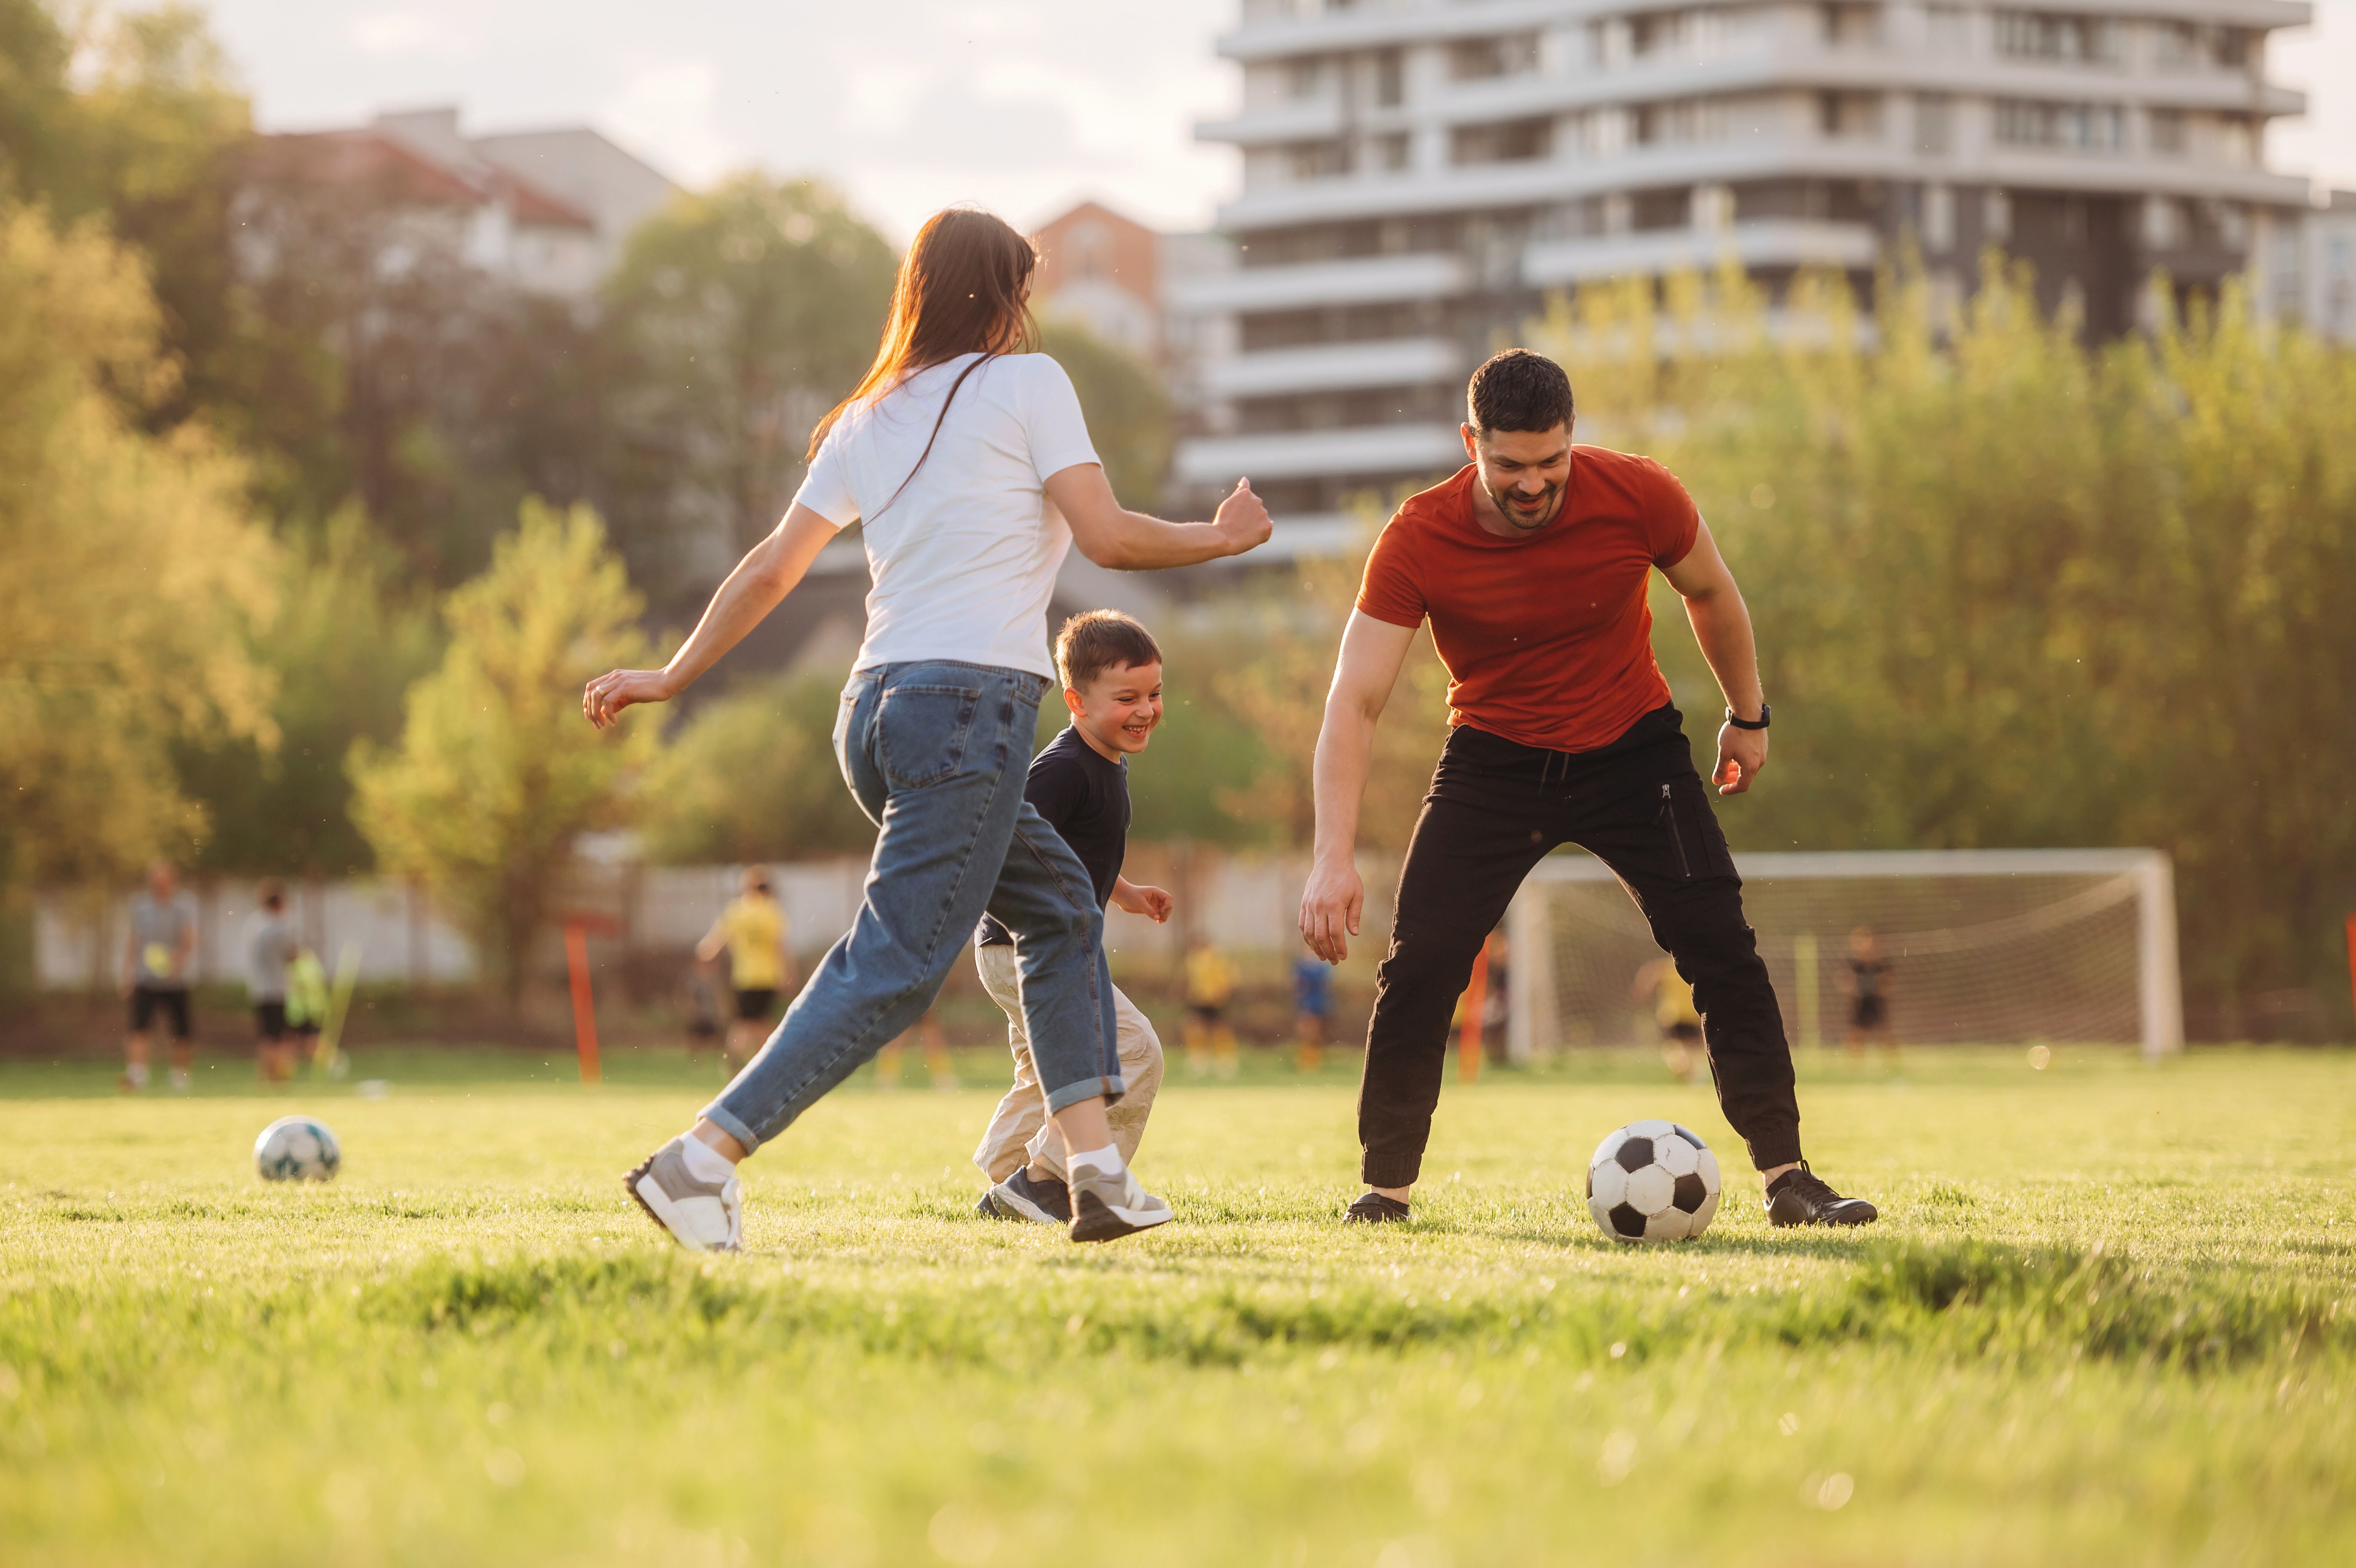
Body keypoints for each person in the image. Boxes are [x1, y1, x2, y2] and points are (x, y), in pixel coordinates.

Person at [586, 207, 1271, 1251]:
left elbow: (771, 567)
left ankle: (1093, 1174)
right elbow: (1108, 539)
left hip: (873, 711)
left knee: (1061, 910)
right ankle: (699, 1160)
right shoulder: (1029, 384)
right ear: (1004, 295)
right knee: (897, 961)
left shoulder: (866, 417)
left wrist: (673, 673)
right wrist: (1219, 539)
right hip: (966, 714)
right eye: (1024, 290)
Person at [1298, 349, 1877, 1229]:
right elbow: (1355, 699)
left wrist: (1747, 715)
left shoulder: (1640, 492)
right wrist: (1330, 855)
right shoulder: (1418, 536)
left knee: (1721, 948)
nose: (1533, 484)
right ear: (1471, 444)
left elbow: (1711, 592)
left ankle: (1788, 1178)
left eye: (1551, 461)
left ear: (1573, 438)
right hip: (1492, 761)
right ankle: (1385, 1192)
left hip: (1633, 754)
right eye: (1509, 465)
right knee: (1419, 964)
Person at [972, 610, 1173, 1224]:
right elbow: (1003, 846)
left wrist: (1124, 891)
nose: (1146, 710)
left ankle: (1006, 1180)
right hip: (1030, 946)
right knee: (1132, 1050)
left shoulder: (1107, 759)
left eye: (1154, 694)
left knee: (1044, 1074)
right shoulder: (1062, 769)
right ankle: (1050, 1180)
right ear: (1076, 701)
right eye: (1127, 699)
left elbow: (1062, 851)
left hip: (1013, 950)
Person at [696, 867, 795, 1072]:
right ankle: (768, 1061)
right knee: (755, 1022)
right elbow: (780, 946)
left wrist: (706, 961)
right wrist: (788, 974)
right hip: (767, 976)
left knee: (749, 1022)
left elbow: (711, 945)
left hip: (743, 977)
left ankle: (746, 1061)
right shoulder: (771, 910)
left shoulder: (736, 911)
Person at [120, 860, 198, 1094]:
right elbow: (133, 942)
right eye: (156, 883)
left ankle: (180, 1077)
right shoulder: (141, 908)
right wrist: (127, 974)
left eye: (164, 882)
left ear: (172, 882)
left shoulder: (183, 907)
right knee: (139, 1028)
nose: (160, 887)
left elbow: (189, 939)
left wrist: (178, 961)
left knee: (181, 1032)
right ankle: (137, 1074)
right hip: (146, 980)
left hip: (176, 981)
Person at [245, 880, 301, 1083]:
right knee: (278, 1034)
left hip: (258, 988)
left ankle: (265, 1074)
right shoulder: (280, 927)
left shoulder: (254, 924)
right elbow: (292, 955)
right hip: (277, 988)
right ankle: (277, 1076)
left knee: (266, 1034)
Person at [1633, 956, 1703, 1084]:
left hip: (1670, 1016)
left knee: (1673, 1047)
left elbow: (1649, 975)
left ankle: (1681, 1066)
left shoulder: (1666, 968)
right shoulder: (1690, 968)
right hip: (1689, 1014)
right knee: (1691, 1048)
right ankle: (1688, 1071)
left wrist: (1642, 990)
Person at [1182, 937, 1239, 1078]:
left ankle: (1224, 1061)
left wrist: (1221, 991)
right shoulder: (1194, 959)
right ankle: (1202, 1060)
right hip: (1200, 999)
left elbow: (1229, 977)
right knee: (1196, 1028)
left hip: (1214, 999)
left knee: (1218, 1029)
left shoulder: (1216, 958)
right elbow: (1192, 980)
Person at [1843, 926, 1897, 1061]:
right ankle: (1854, 1061)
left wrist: (1882, 987)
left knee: (1884, 1031)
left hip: (1876, 1001)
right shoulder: (1856, 966)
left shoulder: (1880, 966)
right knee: (1857, 1032)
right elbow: (1845, 980)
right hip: (1862, 1002)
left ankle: (1892, 1059)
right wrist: (1853, 987)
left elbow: (1888, 983)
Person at [1292, 952, 1332, 1074]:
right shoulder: (1301, 965)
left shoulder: (1322, 968)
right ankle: (1305, 1061)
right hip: (1305, 1003)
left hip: (1317, 1004)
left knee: (1314, 1034)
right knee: (1304, 1033)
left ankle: (1313, 1062)